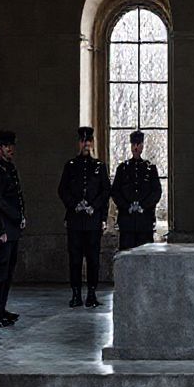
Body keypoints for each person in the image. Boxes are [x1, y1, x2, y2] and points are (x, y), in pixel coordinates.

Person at [58, 126, 110, 308]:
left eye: (88, 141)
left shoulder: (99, 166)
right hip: (75, 220)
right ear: (79, 143)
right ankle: (76, 294)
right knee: (75, 259)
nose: (86, 144)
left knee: (93, 259)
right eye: (83, 141)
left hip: (93, 220)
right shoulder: (70, 166)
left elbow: (105, 192)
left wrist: (96, 210)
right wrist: (74, 204)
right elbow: (62, 190)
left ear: (92, 143)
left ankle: (92, 294)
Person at [0, 130, 25, 328]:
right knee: (0, 272)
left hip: (12, 227)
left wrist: (21, 216)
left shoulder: (8, 168)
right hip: (3, 227)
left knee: (8, 271)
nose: (10, 149)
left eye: (11, 145)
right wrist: (13, 218)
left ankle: (1, 309)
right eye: (5, 146)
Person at [111, 130, 163, 250]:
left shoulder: (150, 169)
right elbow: (115, 191)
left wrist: (143, 205)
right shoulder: (122, 168)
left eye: (138, 144)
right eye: (133, 144)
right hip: (127, 221)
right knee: (126, 253)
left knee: (145, 254)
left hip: (145, 221)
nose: (136, 147)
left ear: (142, 146)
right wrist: (127, 206)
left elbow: (156, 192)